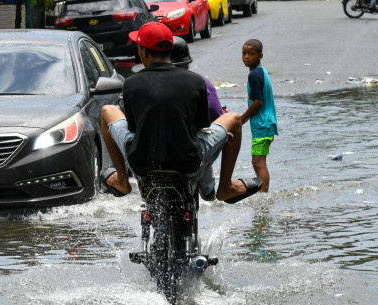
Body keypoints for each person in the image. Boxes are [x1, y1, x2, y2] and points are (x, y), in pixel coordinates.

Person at [99, 22, 261, 203]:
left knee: (107, 111)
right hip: (188, 164)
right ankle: (225, 187)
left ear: (143, 51)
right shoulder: (195, 81)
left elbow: (134, 128)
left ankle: (121, 181)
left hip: (142, 164)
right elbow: (200, 126)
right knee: (235, 119)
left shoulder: (131, 83)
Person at [241, 38, 277, 193]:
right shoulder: (261, 72)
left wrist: (241, 120)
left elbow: (257, 102)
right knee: (258, 161)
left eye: (251, 53)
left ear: (260, 55)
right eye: (244, 53)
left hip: (262, 124)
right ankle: (263, 193)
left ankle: (263, 195)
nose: (246, 57)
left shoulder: (254, 75)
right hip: (265, 123)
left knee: (258, 162)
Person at [170, 36, 225, 121]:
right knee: (233, 117)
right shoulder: (199, 81)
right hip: (194, 130)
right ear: (186, 65)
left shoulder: (148, 83)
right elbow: (215, 112)